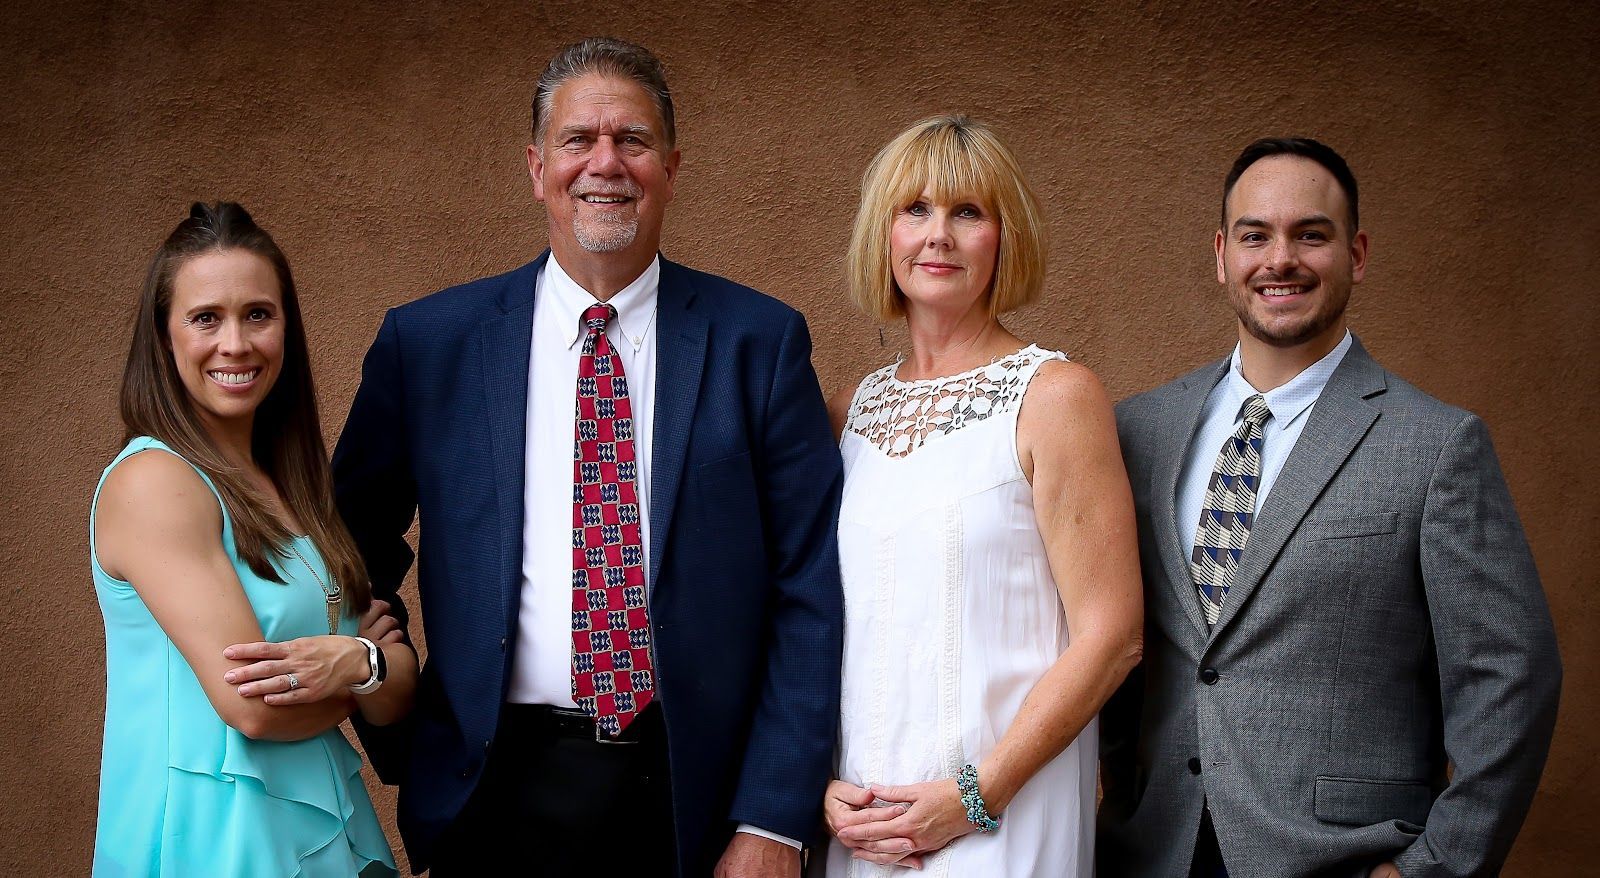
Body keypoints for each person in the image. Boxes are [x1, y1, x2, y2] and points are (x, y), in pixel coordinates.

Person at [332, 37, 844, 876]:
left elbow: (810, 586)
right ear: (538, 168)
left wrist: (773, 816)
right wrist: (394, 700)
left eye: (632, 140)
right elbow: (345, 545)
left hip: (696, 802)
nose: (605, 163)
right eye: (579, 140)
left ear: (670, 169)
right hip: (492, 796)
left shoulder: (760, 343)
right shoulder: (429, 346)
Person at [1098, 138, 1562, 877]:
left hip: (1340, 856)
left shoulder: (1436, 444)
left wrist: (1433, 869)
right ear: (1222, 255)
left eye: (1310, 235)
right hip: (1153, 851)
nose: (1280, 260)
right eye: (1255, 236)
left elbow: (1509, 674)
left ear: (1357, 254)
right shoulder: (1138, 431)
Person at [820, 115, 1143, 876]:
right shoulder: (847, 415)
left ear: (1006, 238)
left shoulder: (1054, 396)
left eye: (967, 212)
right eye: (915, 209)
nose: (938, 234)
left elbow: (1112, 637)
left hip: (1003, 823)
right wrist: (820, 784)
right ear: (884, 235)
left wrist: (975, 795)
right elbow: (828, 630)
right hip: (864, 828)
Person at [90, 201, 414, 877]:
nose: (235, 343)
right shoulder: (156, 481)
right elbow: (255, 711)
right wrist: (363, 663)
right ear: (164, 336)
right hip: (213, 836)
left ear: (286, 329)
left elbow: (394, 701)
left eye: (258, 314)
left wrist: (354, 664)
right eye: (206, 318)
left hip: (312, 826)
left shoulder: (289, 485)